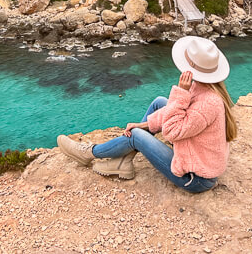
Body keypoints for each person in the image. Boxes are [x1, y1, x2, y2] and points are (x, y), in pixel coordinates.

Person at [57, 36, 237, 193]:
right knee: (159, 102)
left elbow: (171, 131)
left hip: (196, 178)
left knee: (136, 136)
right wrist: (143, 125)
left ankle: (90, 153)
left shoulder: (208, 103)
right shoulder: (205, 88)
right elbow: (176, 113)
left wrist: (181, 92)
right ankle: (124, 161)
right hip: (197, 160)